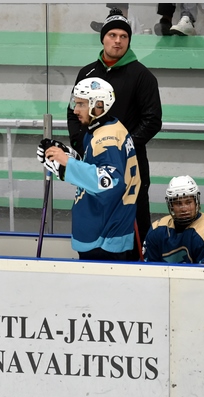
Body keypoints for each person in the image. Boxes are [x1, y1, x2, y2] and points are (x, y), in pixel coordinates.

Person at [67, 7, 162, 260]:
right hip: (92, 160)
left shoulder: (143, 76)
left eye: (123, 36)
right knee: (93, 213)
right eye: (112, 35)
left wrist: (124, 146)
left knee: (133, 222)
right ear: (103, 38)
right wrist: (81, 144)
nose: (117, 40)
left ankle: (137, 268)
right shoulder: (86, 73)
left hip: (131, 164)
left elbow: (152, 120)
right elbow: (72, 112)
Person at [39, 77, 140, 261]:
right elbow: (97, 167)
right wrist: (69, 160)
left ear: (99, 105)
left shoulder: (107, 139)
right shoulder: (104, 128)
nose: (75, 110)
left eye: (81, 104)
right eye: (75, 103)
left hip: (104, 237)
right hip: (104, 229)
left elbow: (109, 182)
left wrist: (68, 164)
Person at [142, 175, 204, 264]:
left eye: (188, 202)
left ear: (196, 202)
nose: (184, 209)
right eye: (178, 203)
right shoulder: (156, 230)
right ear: (171, 206)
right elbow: (148, 269)